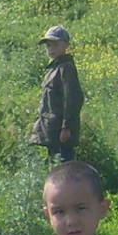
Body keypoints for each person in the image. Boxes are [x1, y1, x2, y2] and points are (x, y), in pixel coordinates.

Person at [31, 25, 83, 162]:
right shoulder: (54, 67)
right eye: (48, 45)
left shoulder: (66, 68)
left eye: (55, 44)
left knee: (63, 170)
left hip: (60, 133)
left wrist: (66, 127)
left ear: (66, 45)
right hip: (52, 130)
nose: (50, 49)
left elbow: (73, 99)